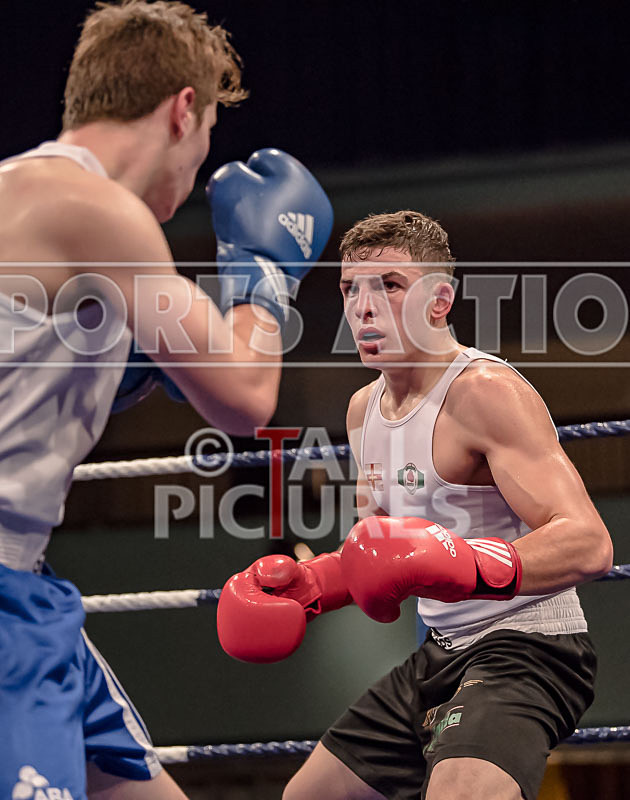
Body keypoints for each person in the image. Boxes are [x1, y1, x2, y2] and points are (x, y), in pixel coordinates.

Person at [0, 1, 332, 798]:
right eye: (210, 128)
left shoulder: (21, 191)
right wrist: (264, 273)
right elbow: (247, 397)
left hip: (30, 589)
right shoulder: (99, 214)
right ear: (185, 110)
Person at [217, 210, 613, 800]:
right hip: (437, 655)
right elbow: (375, 552)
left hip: (525, 649)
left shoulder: (483, 393)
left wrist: (459, 562)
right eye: (351, 289)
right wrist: (313, 586)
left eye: (390, 285)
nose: (363, 307)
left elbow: (589, 543)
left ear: (439, 299)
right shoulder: (363, 410)